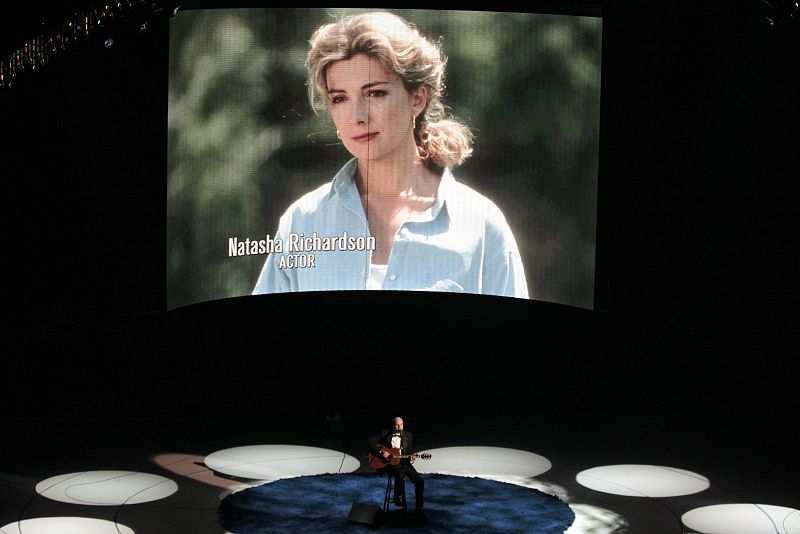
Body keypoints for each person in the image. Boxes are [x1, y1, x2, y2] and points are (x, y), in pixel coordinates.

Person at [253, 11, 528, 297]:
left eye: (375, 94)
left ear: (417, 99)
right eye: (340, 98)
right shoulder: (303, 221)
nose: (357, 116)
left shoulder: (480, 223)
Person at [368, 416, 424, 515]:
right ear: (393, 425)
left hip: (404, 463)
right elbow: (370, 442)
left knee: (419, 482)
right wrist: (381, 452)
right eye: (397, 425)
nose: (399, 427)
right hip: (389, 465)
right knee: (400, 471)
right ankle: (396, 496)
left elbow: (409, 452)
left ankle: (418, 509)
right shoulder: (385, 434)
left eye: (401, 425)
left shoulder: (408, 435)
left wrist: (411, 458)